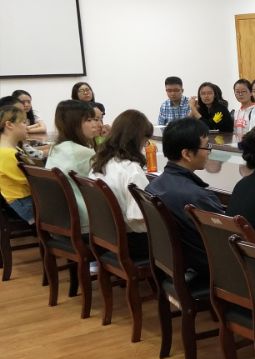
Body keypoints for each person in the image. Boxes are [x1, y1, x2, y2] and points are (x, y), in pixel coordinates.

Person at [145, 118, 224, 274]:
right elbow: (225, 239)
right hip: (207, 271)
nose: (208, 152)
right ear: (187, 154)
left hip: (171, 266)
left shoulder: (153, 186)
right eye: (206, 146)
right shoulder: (196, 197)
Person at [89, 110, 154, 258]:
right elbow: (139, 217)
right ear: (137, 139)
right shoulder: (132, 171)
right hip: (132, 244)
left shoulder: (99, 163)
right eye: (145, 141)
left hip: (104, 240)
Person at [46, 100, 100, 232]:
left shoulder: (57, 148)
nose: (95, 124)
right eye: (88, 120)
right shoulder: (82, 152)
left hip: (60, 218)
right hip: (85, 220)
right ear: (73, 124)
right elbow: (102, 182)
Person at [0, 104, 34, 223]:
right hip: (25, 204)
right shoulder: (6, 154)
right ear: (9, 125)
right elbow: (30, 181)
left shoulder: (13, 149)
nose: (27, 126)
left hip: (27, 200)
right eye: (24, 122)